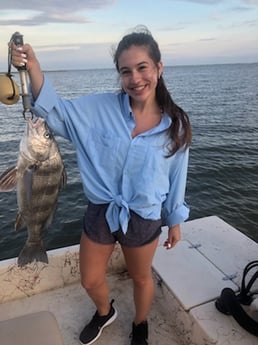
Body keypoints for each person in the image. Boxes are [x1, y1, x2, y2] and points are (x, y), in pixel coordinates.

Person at [11, 25, 192, 345]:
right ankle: (104, 311)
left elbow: (177, 174)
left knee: (140, 277)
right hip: (101, 210)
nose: (135, 79)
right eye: (126, 71)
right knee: (90, 279)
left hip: (144, 214)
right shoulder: (99, 109)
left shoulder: (175, 124)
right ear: (119, 75)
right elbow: (57, 111)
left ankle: (140, 324)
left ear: (159, 68)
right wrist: (33, 67)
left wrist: (174, 218)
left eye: (142, 67)